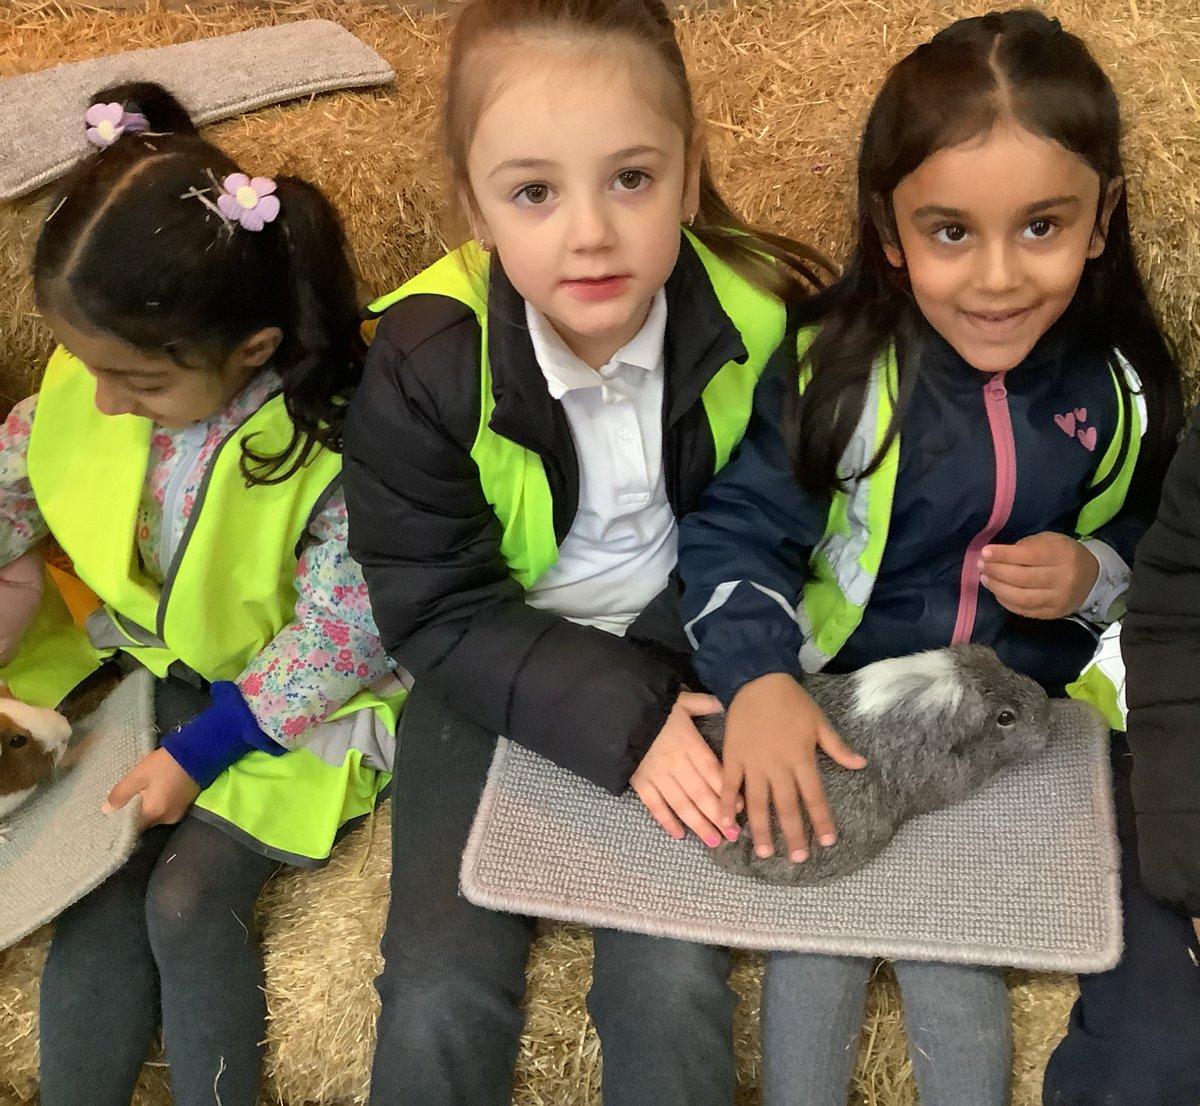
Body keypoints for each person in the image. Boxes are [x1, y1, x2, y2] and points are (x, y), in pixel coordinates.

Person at [676, 11, 1189, 1105]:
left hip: (1018, 733)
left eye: (1041, 225)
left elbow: (1165, 546)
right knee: (810, 934)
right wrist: (758, 680)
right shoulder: (837, 373)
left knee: (960, 968)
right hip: (840, 713)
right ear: (890, 230)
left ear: (1101, 221)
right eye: (951, 231)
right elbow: (735, 532)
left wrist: (1095, 569)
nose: (998, 278)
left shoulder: (1124, 386)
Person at [341, 1, 829, 1102]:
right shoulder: (423, 361)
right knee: (435, 988)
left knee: (669, 978)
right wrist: (623, 716)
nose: (591, 234)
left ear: (690, 176)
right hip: (479, 662)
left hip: (683, 638)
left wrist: (698, 679)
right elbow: (434, 606)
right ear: (475, 206)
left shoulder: (764, 316)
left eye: (631, 179)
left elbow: (778, 523)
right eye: (533, 193)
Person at [1, 81, 404, 1106]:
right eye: (85, 365)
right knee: (99, 891)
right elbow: (19, 479)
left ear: (252, 351)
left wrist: (202, 750)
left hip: (303, 704)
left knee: (186, 902)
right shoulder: (100, 372)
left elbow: (344, 631)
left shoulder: (329, 437)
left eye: (135, 383)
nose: (100, 398)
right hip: (169, 673)